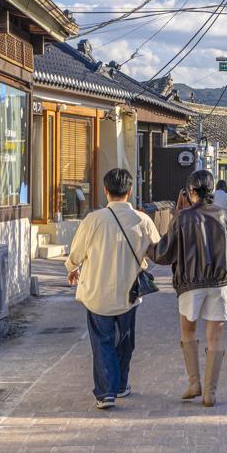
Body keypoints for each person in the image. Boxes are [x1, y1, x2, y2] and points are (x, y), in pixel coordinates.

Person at [66, 168, 161, 409]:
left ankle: (106, 392)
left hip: (97, 292)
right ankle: (120, 385)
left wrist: (72, 268)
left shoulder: (93, 220)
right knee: (125, 341)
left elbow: (76, 254)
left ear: (105, 191)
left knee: (102, 341)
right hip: (129, 293)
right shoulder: (143, 219)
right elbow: (159, 249)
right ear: (130, 191)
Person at [150, 169, 227, 406]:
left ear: (190, 191)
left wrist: (146, 246)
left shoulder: (182, 218)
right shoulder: (223, 216)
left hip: (190, 283)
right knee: (215, 338)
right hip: (219, 282)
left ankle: (194, 383)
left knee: (188, 332)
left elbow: (164, 253)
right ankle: (210, 392)